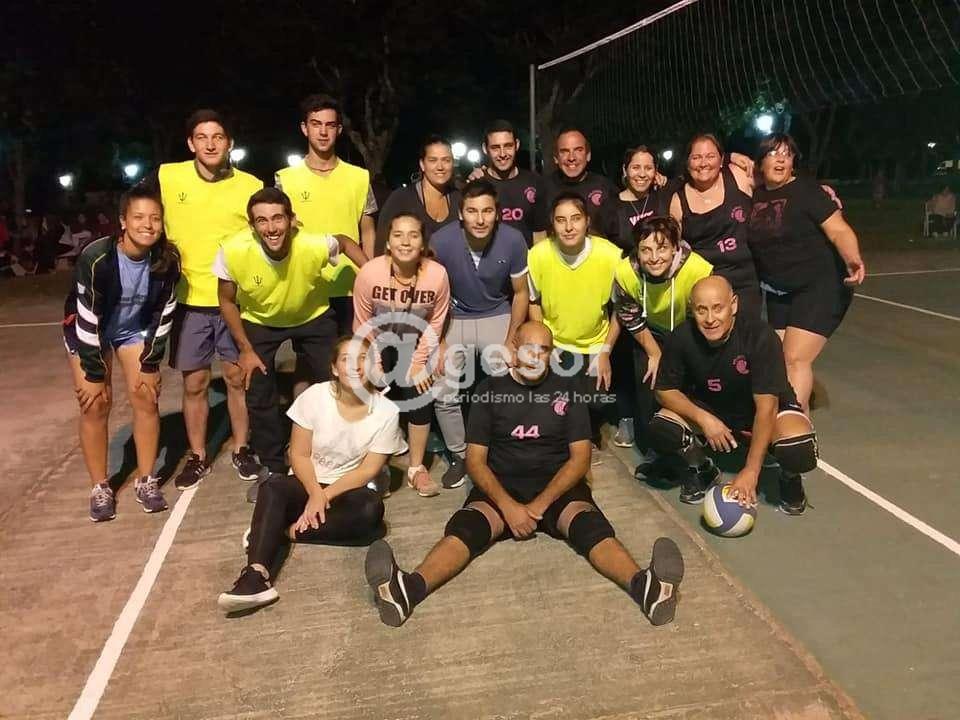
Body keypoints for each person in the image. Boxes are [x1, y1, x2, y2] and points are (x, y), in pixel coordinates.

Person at [363, 321, 685, 627]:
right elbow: (475, 461)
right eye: (529, 348)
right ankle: (407, 590)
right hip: (501, 486)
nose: (535, 356)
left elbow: (580, 459)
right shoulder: (489, 391)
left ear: (551, 355)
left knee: (590, 525)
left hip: (556, 487)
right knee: (466, 527)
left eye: (543, 350)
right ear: (514, 350)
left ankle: (646, 588)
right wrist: (509, 507)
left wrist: (539, 506)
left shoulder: (568, 390)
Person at [218, 335, 406, 612]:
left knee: (371, 511)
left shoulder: (387, 412)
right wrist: (315, 493)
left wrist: (325, 496)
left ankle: (281, 531)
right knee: (272, 487)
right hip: (306, 482)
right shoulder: (315, 397)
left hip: (345, 490)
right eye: (346, 359)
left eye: (362, 359)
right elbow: (299, 454)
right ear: (334, 368)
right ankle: (255, 576)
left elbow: (368, 470)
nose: (355, 366)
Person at [215, 187, 367, 498]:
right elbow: (226, 301)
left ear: (292, 220)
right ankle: (273, 469)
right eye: (262, 221)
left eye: (277, 218)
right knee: (259, 391)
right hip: (261, 321)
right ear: (252, 226)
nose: (271, 228)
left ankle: (345, 460)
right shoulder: (233, 251)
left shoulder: (312, 244)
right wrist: (245, 349)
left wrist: (374, 272)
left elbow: (345, 241)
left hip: (313, 316)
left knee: (340, 385)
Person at [143, 109, 264, 490]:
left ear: (230, 143)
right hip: (187, 301)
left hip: (234, 300)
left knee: (236, 379)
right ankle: (197, 456)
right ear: (190, 143)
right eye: (202, 137)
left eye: (218, 137)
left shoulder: (250, 184)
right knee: (194, 384)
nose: (210, 144)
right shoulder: (168, 176)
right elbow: (138, 211)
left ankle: (242, 448)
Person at [648, 277, 817, 514]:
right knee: (663, 428)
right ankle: (702, 468)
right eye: (701, 310)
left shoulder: (760, 336)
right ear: (692, 309)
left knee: (798, 448)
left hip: (762, 410)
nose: (710, 319)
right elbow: (663, 390)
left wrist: (751, 471)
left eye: (717, 308)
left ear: (734, 304)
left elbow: (766, 409)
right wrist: (704, 419)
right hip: (715, 408)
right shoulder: (682, 336)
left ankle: (789, 477)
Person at [62, 186, 181, 521]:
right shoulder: (96, 257)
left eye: (155, 218)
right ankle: (100, 487)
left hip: (132, 329)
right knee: (95, 403)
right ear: (123, 221)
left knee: (146, 395)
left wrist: (150, 364)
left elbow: (163, 314)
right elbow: (87, 317)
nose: (148, 224)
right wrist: (95, 374)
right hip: (90, 330)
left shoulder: (167, 259)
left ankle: (146, 480)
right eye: (139, 217)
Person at [748, 134, 865, 413]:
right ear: (760, 162)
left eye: (787, 154)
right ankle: (785, 418)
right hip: (779, 291)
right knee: (778, 362)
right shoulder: (755, 193)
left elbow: (838, 230)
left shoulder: (808, 191)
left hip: (820, 286)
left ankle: (796, 428)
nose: (780, 159)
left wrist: (852, 258)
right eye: (773, 153)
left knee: (794, 359)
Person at [431, 179, 530, 489]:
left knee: (508, 382)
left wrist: (511, 340)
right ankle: (460, 455)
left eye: (487, 211)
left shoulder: (513, 240)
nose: (480, 219)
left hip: (496, 312)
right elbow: (432, 295)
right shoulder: (441, 241)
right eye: (472, 211)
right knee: (443, 388)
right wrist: (439, 341)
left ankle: (500, 449)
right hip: (454, 315)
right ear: (461, 214)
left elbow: (520, 293)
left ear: (497, 213)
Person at [353, 212, 451, 497]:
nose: (405, 242)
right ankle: (375, 465)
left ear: (422, 244)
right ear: (387, 242)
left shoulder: (437, 275)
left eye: (413, 235)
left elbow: (436, 322)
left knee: (420, 388)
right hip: (376, 340)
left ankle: (415, 468)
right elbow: (362, 322)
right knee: (368, 392)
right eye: (398, 235)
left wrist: (418, 363)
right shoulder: (370, 273)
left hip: (415, 340)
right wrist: (375, 362)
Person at [613, 216, 713, 465]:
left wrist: (678, 355)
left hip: (689, 331)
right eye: (645, 250)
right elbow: (629, 315)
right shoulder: (625, 272)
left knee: (690, 384)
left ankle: (699, 440)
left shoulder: (698, 270)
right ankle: (655, 447)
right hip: (650, 331)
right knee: (649, 382)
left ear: (675, 247)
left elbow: (702, 316)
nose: (654, 257)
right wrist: (654, 352)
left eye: (662, 248)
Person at [275, 94, 376, 336]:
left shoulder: (359, 177)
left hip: (351, 287)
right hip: (306, 288)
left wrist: (371, 275)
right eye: (316, 124)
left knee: (354, 355)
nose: (323, 132)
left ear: (339, 130)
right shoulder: (285, 179)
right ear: (304, 128)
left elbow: (368, 231)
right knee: (312, 360)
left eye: (330, 125)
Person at [528, 192, 623, 449]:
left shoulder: (610, 255)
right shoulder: (538, 255)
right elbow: (533, 301)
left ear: (587, 221)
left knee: (596, 403)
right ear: (552, 224)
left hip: (595, 343)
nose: (569, 227)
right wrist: (546, 346)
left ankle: (588, 432)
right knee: (557, 405)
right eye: (561, 220)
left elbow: (621, 309)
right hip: (557, 342)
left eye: (575, 218)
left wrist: (605, 351)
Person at [669, 134, 761, 319]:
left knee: (746, 333)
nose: (703, 163)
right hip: (705, 284)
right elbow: (672, 246)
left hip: (746, 280)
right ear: (687, 163)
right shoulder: (677, 200)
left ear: (721, 160)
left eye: (710, 156)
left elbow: (777, 181)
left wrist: (816, 189)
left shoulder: (738, 175)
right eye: (696, 157)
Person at [375, 135, 461, 255]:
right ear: (422, 164)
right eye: (433, 160)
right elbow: (381, 246)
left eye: (446, 160)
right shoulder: (401, 199)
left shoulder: (460, 199)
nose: (440, 167)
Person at [468, 119, 549, 246]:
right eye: (495, 148)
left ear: (517, 145)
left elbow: (539, 234)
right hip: (487, 257)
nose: (502, 154)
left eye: (508, 146)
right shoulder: (477, 184)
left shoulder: (535, 182)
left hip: (525, 258)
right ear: (485, 148)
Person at [542, 127, 618, 230]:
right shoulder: (543, 189)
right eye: (564, 151)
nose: (571, 158)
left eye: (578, 150)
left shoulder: (606, 188)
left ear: (588, 155)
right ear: (556, 158)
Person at [602, 146, 673, 253]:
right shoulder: (610, 208)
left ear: (656, 171)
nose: (642, 174)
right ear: (625, 170)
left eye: (648, 168)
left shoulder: (663, 196)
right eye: (635, 168)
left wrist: (666, 182)